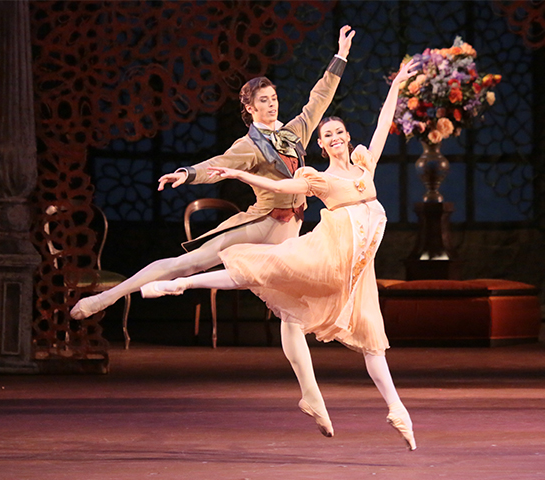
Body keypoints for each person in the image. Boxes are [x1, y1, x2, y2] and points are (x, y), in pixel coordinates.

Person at [71, 27, 355, 437]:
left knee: (290, 315)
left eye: (274, 98)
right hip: (258, 227)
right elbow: (216, 164)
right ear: (250, 109)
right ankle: (106, 297)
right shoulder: (248, 145)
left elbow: (320, 96)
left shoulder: (295, 132)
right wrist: (186, 174)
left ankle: (310, 395)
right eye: (263, 101)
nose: (272, 105)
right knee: (184, 264)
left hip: (289, 237)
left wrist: (340, 56)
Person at [139, 59, 420, 450]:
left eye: (339, 132)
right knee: (258, 269)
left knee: (373, 344)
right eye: (328, 136)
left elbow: (382, 123)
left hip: (358, 274)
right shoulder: (315, 179)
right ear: (319, 145)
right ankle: (182, 284)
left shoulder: (363, 166)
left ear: (347, 136)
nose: (336, 138)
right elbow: (282, 182)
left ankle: (398, 411)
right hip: (325, 254)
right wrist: (238, 175)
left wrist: (397, 86)